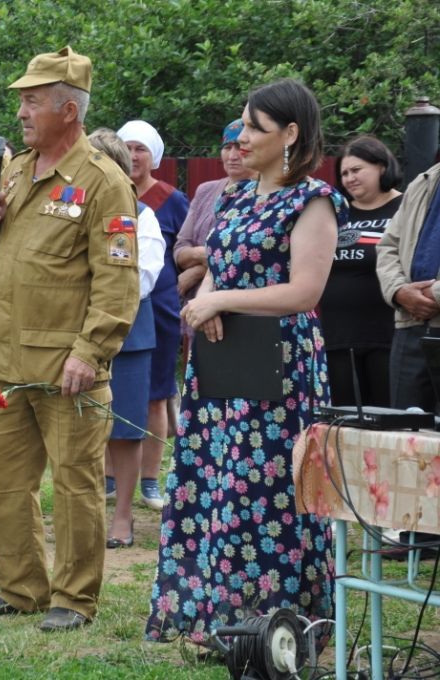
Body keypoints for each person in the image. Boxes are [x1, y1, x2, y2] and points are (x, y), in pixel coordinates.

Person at [145, 78, 343, 646]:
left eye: (254, 127)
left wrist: (221, 299)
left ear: (290, 134)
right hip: (220, 360)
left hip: (280, 366)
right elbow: (221, 265)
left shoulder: (314, 200)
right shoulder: (234, 195)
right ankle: (214, 615)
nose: (242, 137)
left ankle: (274, 622)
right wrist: (207, 297)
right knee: (213, 484)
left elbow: (305, 291)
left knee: (266, 493)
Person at [0, 47, 139, 631]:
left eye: (32, 100)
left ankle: (74, 598)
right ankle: (21, 590)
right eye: (21, 100)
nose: (21, 111)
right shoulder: (15, 169)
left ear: (69, 109)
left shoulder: (103, 182)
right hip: (6, 361)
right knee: (3, 481)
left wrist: (90, 353)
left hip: (68, 368)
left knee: (75, 486)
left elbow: (118, 283)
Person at [87, 128, 164, 549]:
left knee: (126, 428)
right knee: (78, 424)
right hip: (73, 329)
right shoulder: (69, 209)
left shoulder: (141, 216)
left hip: (128, 332)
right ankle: (82, 513)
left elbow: (143, 278)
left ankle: (122, 517)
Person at [116, 119, 190, 513]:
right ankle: (112, 478)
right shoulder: (108, 194)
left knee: (156, 394)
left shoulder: (172, 199)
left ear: (154, 156)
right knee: (111, 392)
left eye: (140, 148)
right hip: (113, 304)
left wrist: (185, 282)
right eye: (125, 147)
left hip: (158, 303)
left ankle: (149, 480)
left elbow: (193, 249)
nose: (132, 155)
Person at [320, 136, 402, 407]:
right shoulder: (335, 213)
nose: (349, 178)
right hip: (337, 338)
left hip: (388, 337)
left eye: (357, 170)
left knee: (391, 423)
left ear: (381, 166)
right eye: (344, 173)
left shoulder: (406, 207)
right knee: (346, 425)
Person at [174, 119, 258, 322]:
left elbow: (247, 255)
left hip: (243, 307)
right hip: (199, 308)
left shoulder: (263, 193)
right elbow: (180, 250)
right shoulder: (206, 191)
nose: (232, 156)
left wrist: (197, 270)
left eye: (238, 147)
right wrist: (203, 254)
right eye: (227, 147)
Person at [376, 158, 440, 412]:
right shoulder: (423, 181)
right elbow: (388, 245)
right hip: (410, 327)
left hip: (423, 311)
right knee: (405, 438)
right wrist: (399, 291)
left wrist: (433, 294)